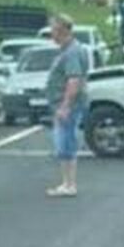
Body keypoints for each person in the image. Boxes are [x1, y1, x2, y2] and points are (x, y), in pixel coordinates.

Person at [45, 14, 90, 197]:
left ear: (61, 30)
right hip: (64, 104)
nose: (51, 34)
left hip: (68, 105)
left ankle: (69, 184)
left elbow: (74, 80)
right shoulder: (69, 50)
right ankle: (67, 182)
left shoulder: (71, 52)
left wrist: (65, 106)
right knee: (65, 141)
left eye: (53, 30)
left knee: (65, 143)